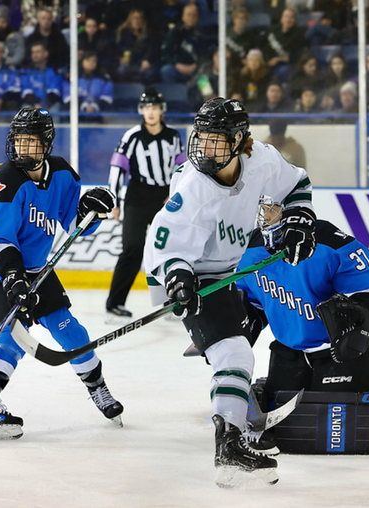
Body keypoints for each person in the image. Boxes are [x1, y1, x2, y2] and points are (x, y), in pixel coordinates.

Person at [143, 97, 317, 487]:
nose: (205, 148)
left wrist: (300, 220)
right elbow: (164, 248)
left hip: (226, 270)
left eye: (216, 141)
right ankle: (230, 447)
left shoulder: (262, 162)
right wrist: (179, 279)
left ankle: (233, 406)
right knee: (234, 351)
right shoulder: (192, 187)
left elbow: (298, 184)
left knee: (235, 347)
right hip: (184, 272)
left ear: (239, 141)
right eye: (201, 138)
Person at [0, 107, 123, 440]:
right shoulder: (5, 180)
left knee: (70, 331)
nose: (22, 148)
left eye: (30, 141)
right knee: (14, 334)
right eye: (18, 141)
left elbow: (73, 222)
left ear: (46, 143)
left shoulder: (64, 175)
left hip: (36, 268)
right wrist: (12, 278)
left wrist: (90, 210)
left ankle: (98, 387)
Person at [233, 197, 369, 450]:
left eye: (272, 209)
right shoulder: (250, 248)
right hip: (289, 352)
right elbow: (252, 305)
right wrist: (228, 335)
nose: (265, 216)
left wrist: (357, 327)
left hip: (341, 354)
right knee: (284, 431)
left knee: (326, 429)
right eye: (263, 208)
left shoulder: (326, 239)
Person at [105, 88, 186, 323]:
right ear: (142, 111)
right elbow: (117, 168)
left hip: (164, 198)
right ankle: (115, 303)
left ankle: (173, 300)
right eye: (147, 108)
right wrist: (114, 201)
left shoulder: (173, 136)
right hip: (137, 196)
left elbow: (182, 170)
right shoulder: (131, 136)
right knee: (132, 248)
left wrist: (174, 195)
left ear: (162, 110)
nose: (151, 112)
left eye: (155, 107)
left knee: (171, 249)